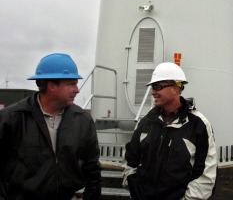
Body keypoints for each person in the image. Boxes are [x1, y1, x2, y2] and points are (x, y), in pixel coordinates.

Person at [0, 53, 101, 200]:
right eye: (71, 84)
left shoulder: (83, 120)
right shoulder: (11, 118)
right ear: (51, 86)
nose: (77, 90)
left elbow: (92, 166)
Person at [123, 62, 217, 200]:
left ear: (175, 88)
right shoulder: (146, 122)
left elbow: (205, 174)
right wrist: (134, 189)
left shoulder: (199, 125)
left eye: (157, 87)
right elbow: (130, 161)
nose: (153, 92)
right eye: (153, 87)